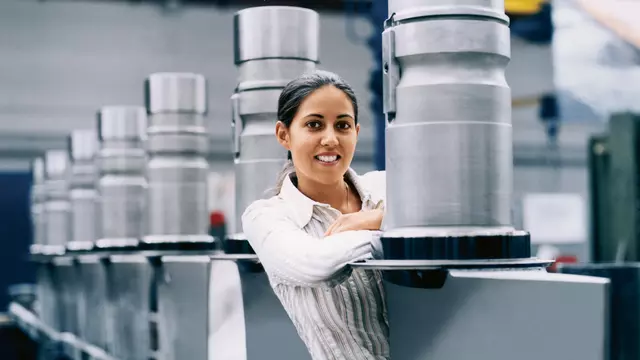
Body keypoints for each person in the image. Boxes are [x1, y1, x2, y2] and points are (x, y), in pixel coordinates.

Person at [241, 70, 389, 360]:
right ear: (284, 135)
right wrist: (393, 232)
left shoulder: (384, 187)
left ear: (356, 133)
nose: (330, 139)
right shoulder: (266, 217)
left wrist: (377, 220)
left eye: (343, 125)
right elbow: (314, 265)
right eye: (314, 125)